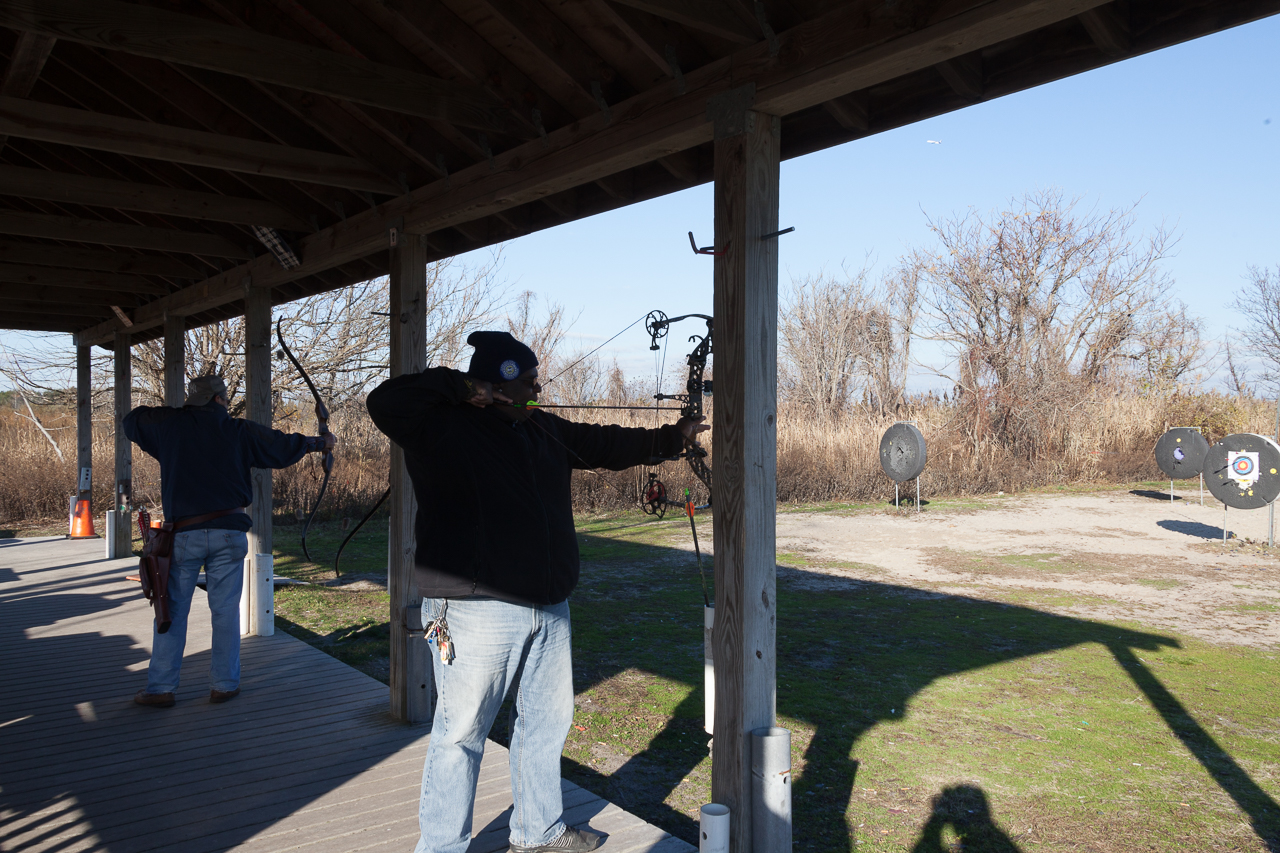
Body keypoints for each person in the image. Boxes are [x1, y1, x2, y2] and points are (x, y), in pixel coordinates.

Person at [367, 331, 707, 853]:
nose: (538, 389)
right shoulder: (439, 427)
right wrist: (460, 388)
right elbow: (384, 400)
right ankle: (440, 846)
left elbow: (604, 443)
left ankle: (539, 832)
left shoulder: (541, 430)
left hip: (548, 607)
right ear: (497, 384)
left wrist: (671, 437)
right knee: (461, 735)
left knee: (546, 725)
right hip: (474, 609)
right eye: (528, 381)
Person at [124, 374, 337, 708]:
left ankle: (160, 688)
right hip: (228, 533)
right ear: (221, 400)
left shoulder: (169, 427)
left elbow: (132, 420)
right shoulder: (238, 431)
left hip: (183, 535)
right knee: (225, 612)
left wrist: (177, 413)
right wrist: (320, 443)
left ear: (193, 401)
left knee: (172, 610)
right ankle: (223, 685)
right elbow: (281, 448)